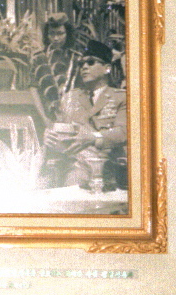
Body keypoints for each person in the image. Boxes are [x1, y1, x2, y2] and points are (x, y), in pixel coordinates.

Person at [44, 39, 127, 191]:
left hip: (110, 169)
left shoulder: (121, 97)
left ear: (107, 68)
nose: (84, 67)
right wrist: (50, 138)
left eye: (91, 62)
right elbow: (60, 133)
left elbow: (123, 132)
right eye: (81, 64)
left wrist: (93, 138)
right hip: (76, 170)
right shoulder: (70, 98)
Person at [31, 12, 82, 120]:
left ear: (68, 34)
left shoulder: (76, 58)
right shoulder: (38, 58)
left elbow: (81, 92)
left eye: (60, 33)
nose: (55, 38)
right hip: (45, 116)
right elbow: (33, 90)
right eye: (51, 33)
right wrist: (45, 119)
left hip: (72, 116)